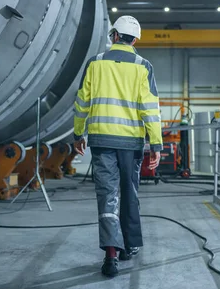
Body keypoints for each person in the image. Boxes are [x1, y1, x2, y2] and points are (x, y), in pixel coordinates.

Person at [73, 15, 162, 278]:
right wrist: (155, 143)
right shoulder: (143, 66)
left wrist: (79, 134)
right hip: (131, 143)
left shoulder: (95, 63)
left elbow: (82, 103)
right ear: (134, 40)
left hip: (101, 141)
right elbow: (150, 109)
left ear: (113, 36)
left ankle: (110, 255)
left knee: (107, 195)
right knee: (129, 192)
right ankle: (129, 246)